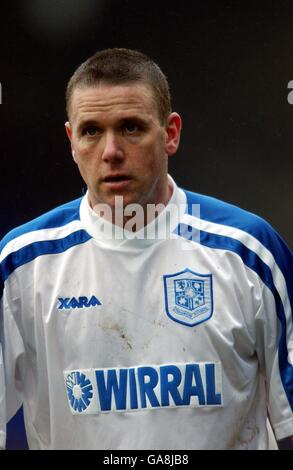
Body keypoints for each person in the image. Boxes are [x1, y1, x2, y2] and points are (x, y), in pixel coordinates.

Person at [0, 48, 293, 450]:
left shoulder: (249, 253)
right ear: (71, 140)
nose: (110, 152)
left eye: (131, 127)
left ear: (170, 133)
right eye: (91, 131)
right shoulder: (21, 266)